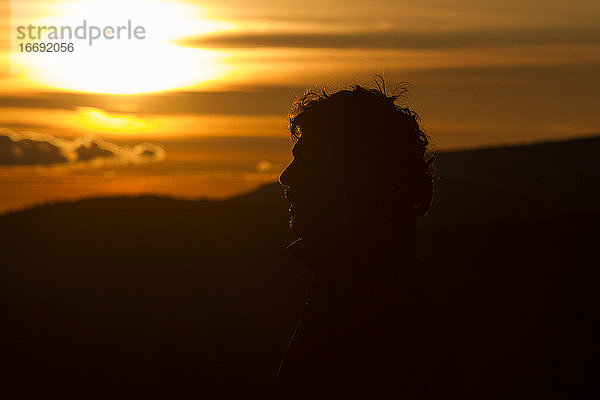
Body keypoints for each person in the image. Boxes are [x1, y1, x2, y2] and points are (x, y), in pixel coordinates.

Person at [276, 80, 458, 399]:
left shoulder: (376, 309)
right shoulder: (352, 289)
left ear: (353, 177)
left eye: (306, 161)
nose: (286, 177)